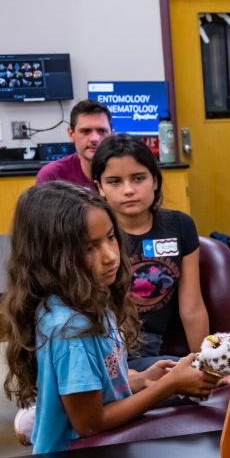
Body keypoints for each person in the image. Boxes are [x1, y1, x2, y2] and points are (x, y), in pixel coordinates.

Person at [2, 183, 218, 454]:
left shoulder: (88, 300)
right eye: (89, 248)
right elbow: (91, 424)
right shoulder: (71, 330)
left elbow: (102, 385)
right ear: (50, 257)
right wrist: (167, 386)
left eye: (111, 237)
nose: (110, 256)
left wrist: (144, 380)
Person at [91, 134, 209, 371]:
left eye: (138, 178)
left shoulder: (180, 226)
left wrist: (204, 365)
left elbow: (192, 307)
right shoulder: (92, 230)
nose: (128, 190)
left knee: (202, 376)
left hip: (147, 348)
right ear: (99, 187)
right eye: (114, 181)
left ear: (155, 180)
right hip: (98, 347)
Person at [36, 100, 112, 189]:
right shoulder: (52, 176)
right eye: (85, 131)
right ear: (71, 134)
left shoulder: (127, 170)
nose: (94, 139)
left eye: (102, 131)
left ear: (112, 135)